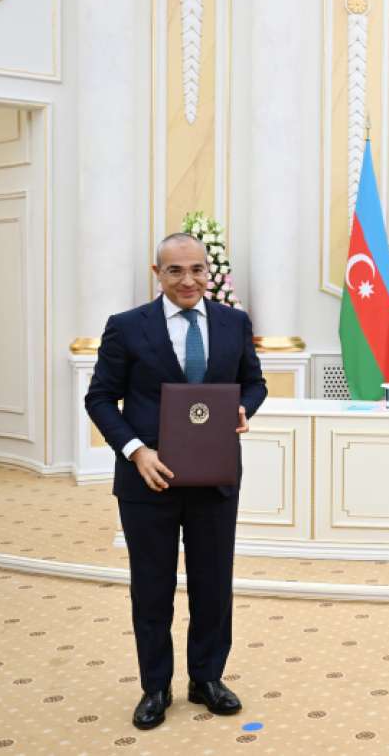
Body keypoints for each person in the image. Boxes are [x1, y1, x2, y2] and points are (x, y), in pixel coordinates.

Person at [85, 233, 267, 731]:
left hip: (215, 479)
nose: (188, 280)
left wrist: (243, 408)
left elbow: (255, 382)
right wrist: (135, 451)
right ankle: (155, 687)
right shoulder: (126, 327)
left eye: (196, 270)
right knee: (152, 587)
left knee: (214, 584)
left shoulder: (234, 322)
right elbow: (99, 398)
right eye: (175, 271)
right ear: (157, 273)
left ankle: (206, 679)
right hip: (148, 482)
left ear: (209, 271)